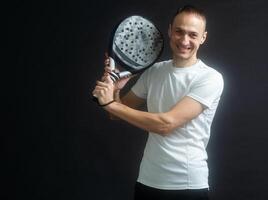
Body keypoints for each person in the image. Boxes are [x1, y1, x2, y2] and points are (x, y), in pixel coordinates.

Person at [92, 5, 224, 200]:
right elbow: (117, 113)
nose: (184, 40)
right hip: (148, 180)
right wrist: (117, 89)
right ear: (170, 30)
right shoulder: (155, 71)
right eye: (179, 31)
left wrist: (110, 103)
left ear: (203, 37)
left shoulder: (210, 78)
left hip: (186, 185)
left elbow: (166, 124)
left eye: (193, 35)